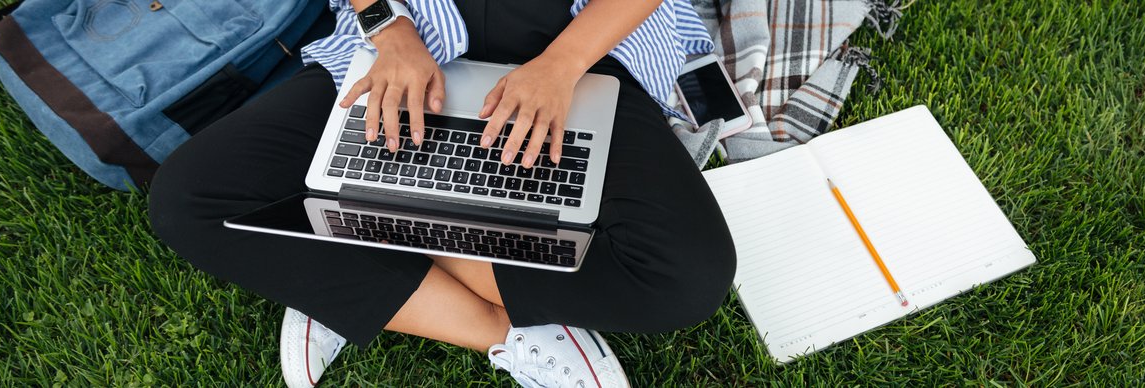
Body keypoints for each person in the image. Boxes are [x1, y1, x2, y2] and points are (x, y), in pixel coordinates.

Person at [148, 0, 736, 386]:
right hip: (416, 31)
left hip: (582, 43)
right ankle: (508, 333)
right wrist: (389, 29)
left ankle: (338, 254)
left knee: (685, 279)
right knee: (189, 197)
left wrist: (560, 66)